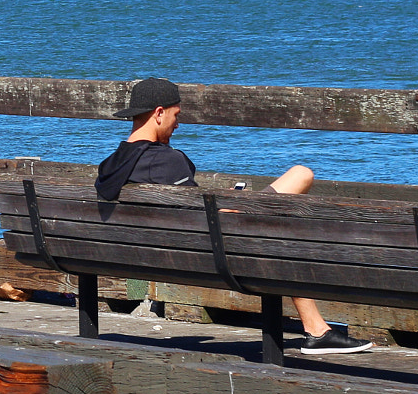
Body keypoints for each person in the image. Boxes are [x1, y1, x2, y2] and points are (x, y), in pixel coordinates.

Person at [97, 77, 371, 355]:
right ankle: (316, 330)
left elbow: (182, 210)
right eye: (175, 115)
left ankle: (317, 329)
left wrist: (221, 200)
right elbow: (202, 221)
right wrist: (231, 205)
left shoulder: (110, 166)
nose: (177, 124)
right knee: (297, 184)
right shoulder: (166, 160)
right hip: (209, 256)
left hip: (150, 254)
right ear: (158, 113)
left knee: (288, 197)